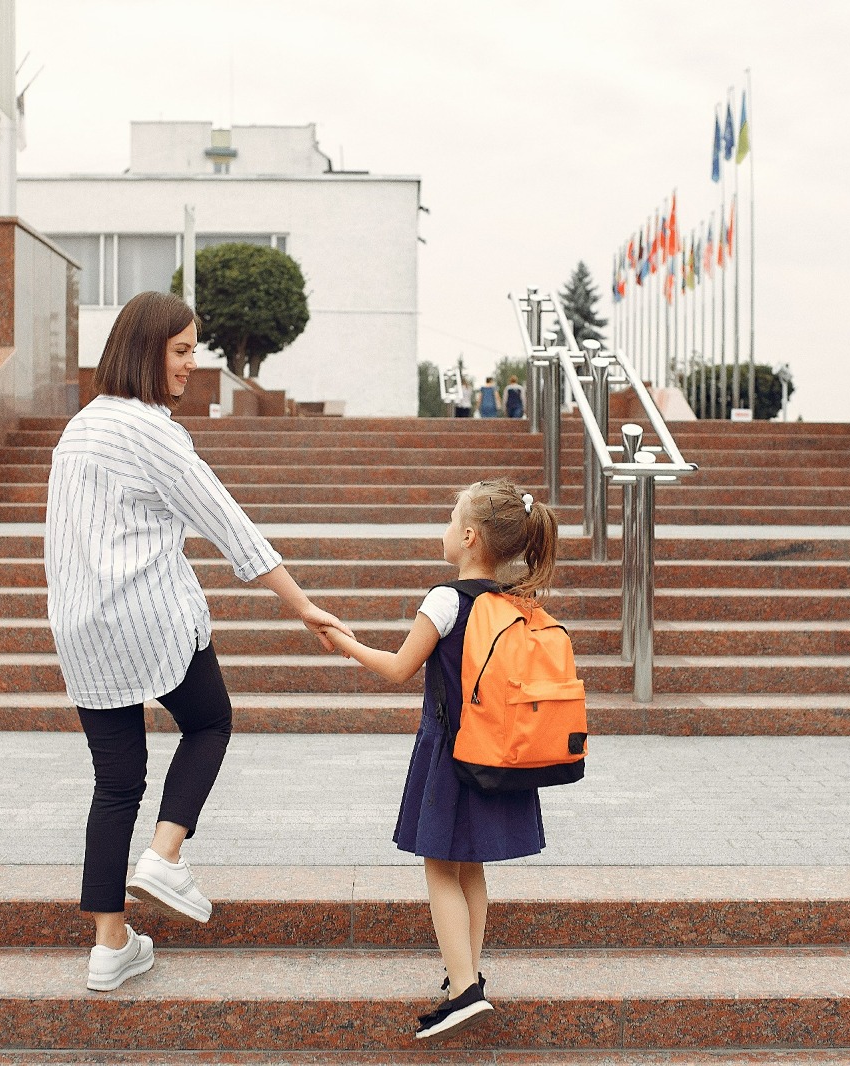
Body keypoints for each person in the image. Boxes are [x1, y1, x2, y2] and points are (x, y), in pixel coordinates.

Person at [44, 291, 350, 992]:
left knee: (115, 784)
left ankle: (109, 946)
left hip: (82, 626)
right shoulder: (151, 431)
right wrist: (300, 602)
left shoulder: (81, 428)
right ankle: (165, 856)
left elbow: (62, 539)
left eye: (193, 350)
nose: (190, 364)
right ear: (145, 350)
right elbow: (226, 519)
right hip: (145, 612)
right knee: (211, 722)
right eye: (181, 350)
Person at [322, 478, 557, 1041]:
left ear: (470, 537)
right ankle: (466, 976)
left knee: (438, 867)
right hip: (495, 753)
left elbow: (400, 668)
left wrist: (343, 640)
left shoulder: (446, 599)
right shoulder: (512, 603)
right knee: (470, 864)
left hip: (449, 752)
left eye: (452, 519)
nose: (446, 528)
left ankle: (464, 989)